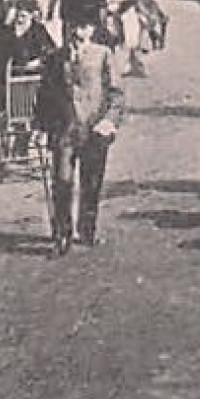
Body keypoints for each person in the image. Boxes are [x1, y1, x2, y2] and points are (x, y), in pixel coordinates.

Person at [34, 17, 123, 256]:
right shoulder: (56, 57)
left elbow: (116, 94)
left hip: (94, 129)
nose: (78, 31)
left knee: (91, 183)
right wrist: (41, 125)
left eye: (84, 25)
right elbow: (44, 94)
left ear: (92, 29)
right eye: (75, 26)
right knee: (62, 182)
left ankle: (87, 229)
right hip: (64, 130)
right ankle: (62, 234)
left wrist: (109, 121)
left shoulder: (103, 54)